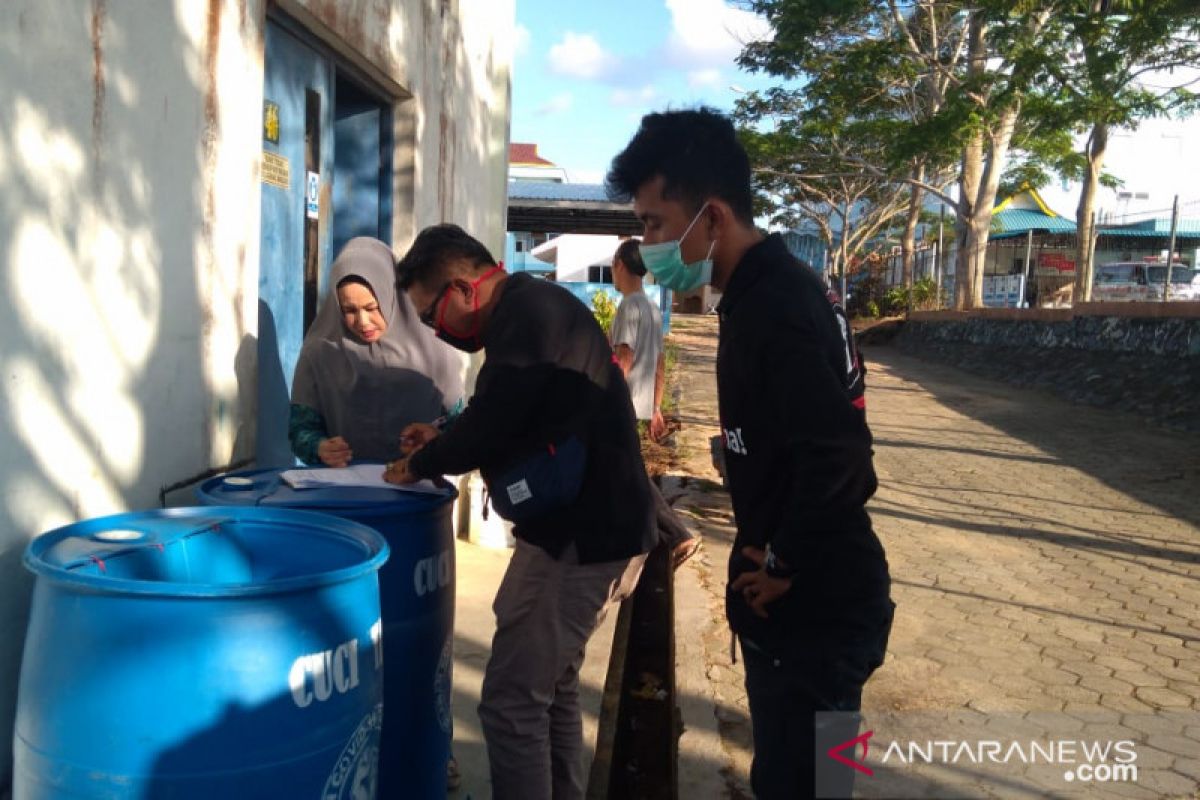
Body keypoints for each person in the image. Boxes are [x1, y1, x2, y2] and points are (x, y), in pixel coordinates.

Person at [607, 108, 894, 799]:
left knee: (812, 786)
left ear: (711, 215)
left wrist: (785, 559)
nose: (647, 244)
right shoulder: (760, 292)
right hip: (809, 618)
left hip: (819, 618)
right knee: (810, 782)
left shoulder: (777, 304)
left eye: (652, 223)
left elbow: (844, 459)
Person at [383, 223, 655, 800]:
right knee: (548, 692)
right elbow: (508, 410)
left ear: (461, 288)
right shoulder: (535, 309)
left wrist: (420, 463)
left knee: (510, 705)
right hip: (604, 530)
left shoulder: (526, 316)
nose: (437, 331)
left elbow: (494, 423)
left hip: (577, 542)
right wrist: (442, 432)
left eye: (432, 316)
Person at [288, 236, 463, 467]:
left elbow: (459, 426)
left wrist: (433, 446)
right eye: (349, 310)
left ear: (391, 295)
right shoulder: (320, 351)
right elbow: (301, 428)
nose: (362, 321)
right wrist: (319, 447)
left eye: (372, 307)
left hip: (417, 490)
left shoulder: (434, 349)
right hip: (344, 492)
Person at [611, 238, 701, 568]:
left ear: (620, 265)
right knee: (626, 475)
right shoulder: (650, 307)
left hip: (623, 405)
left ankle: (675, 535)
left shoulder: (629, 307)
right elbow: (660, 362)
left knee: (630, 475)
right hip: (640, 404)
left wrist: (606, 402)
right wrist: (657, 407)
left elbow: (623, 359)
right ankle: (652, 542)